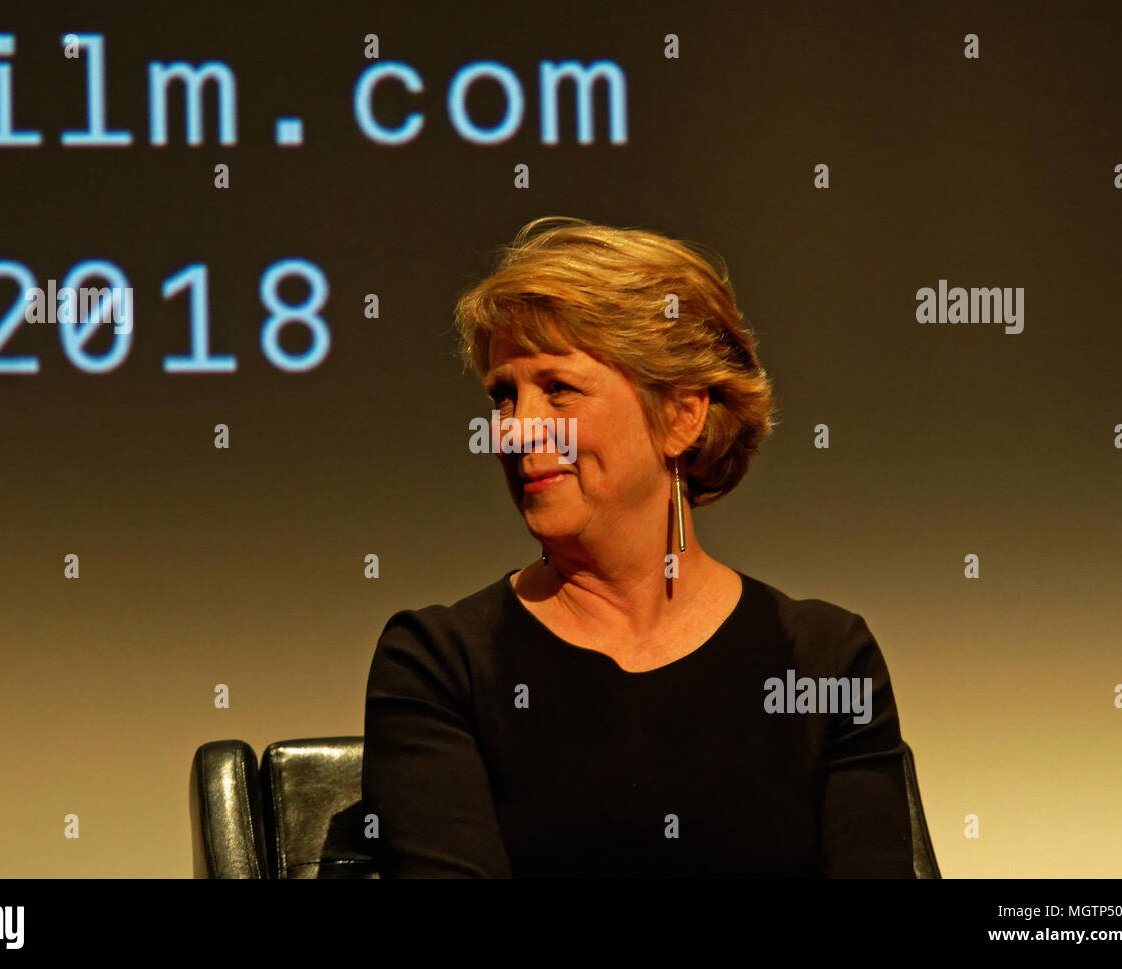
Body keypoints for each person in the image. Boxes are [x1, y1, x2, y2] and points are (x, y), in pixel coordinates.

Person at [362, 216, 918, 876]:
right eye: (504, 396)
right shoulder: (439, 666)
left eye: (558, 389)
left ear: (682, 414)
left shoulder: (826, 660)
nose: (513, 431)